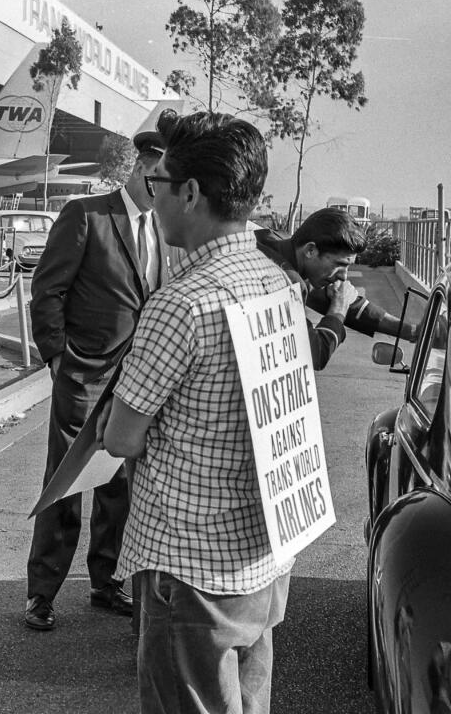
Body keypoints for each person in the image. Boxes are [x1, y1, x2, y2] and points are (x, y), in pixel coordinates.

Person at [101, 111, 294, 714]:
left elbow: (122, 438)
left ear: (189, 193)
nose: (152, 199)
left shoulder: (181, 304)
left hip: (189, 570)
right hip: (264, 556)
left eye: (158, 186)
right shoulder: (277, 285)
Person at [22, 110, 175, 631]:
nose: (162, 190)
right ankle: (41, 592)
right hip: (83, 373)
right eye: (157, 179)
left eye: (170, 184)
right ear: (140, 168)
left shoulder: (163, 228)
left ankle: (106, 582)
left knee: (119, 486)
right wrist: (57, 357)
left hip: (136, 378)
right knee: (65, 483)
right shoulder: (87, 215)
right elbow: (48, 289)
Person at [254, 208, 417, 371]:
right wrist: (339, 307)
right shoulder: (285, 280)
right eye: (340, 265)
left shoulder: (276, 242)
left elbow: (345, 300)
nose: (344, 276)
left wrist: (412, 332)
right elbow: (313, 354)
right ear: (310, 250)